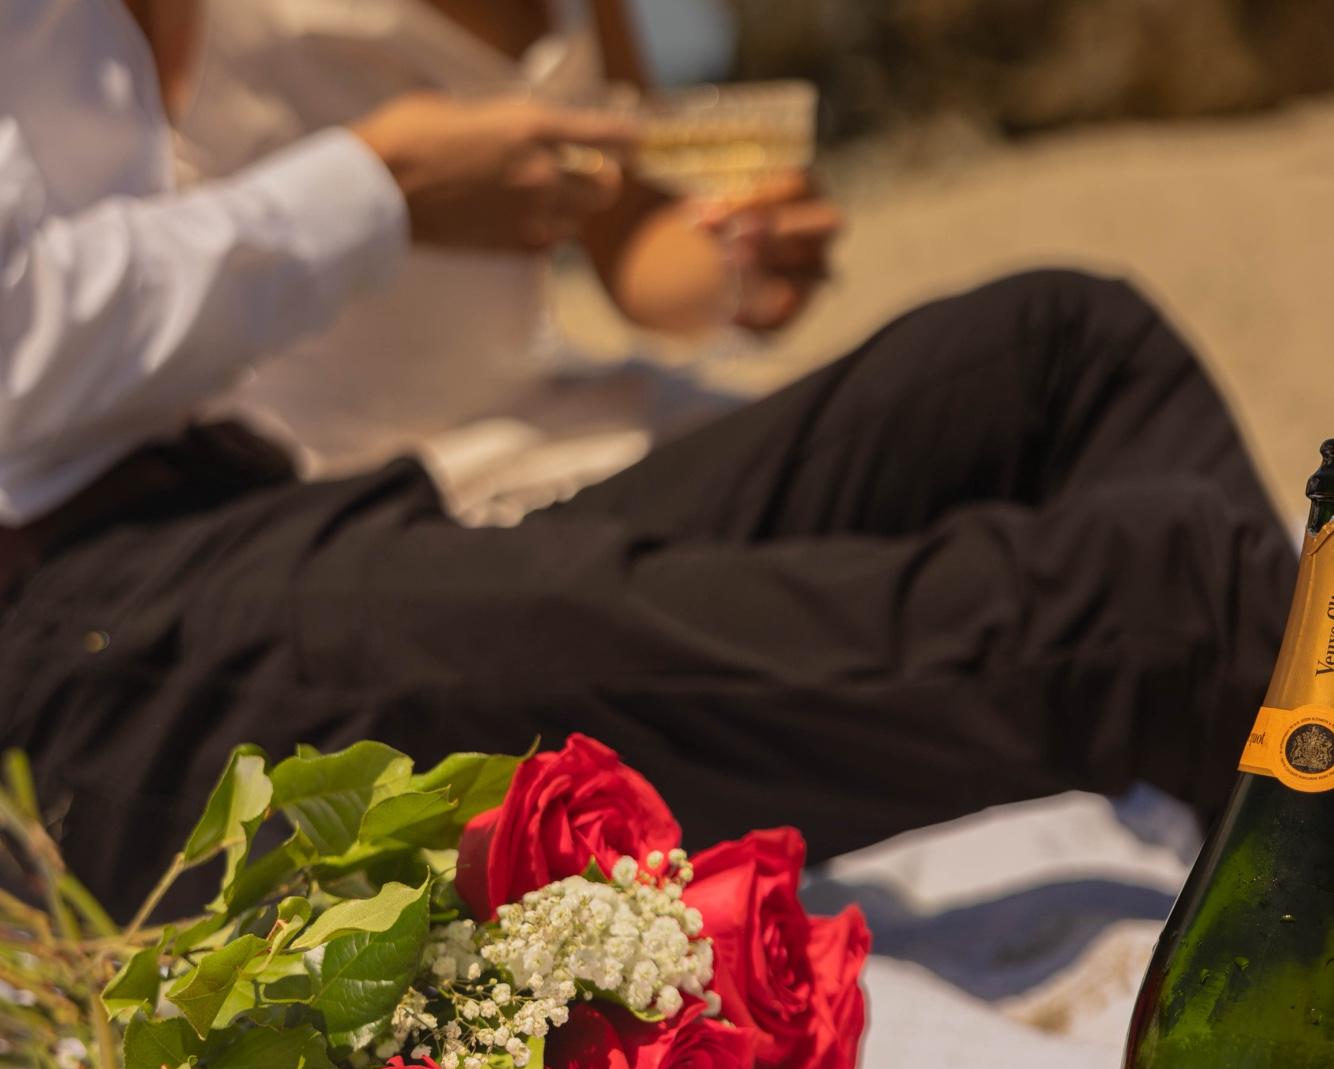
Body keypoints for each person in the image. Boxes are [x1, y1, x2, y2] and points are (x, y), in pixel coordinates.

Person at [0, 0, 1296, 921]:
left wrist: (727, 262)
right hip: (92, 604)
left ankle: (1266, 872)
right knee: (1146, 607)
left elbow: (630, 224)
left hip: (251, 497)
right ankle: (1273, 949)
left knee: (1070, 348)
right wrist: (379, 187)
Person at [174, 0, 843, 523]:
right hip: (324, 480)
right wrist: (379, 188)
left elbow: (631, 225)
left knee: (881, 438)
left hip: (541, 419)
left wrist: (741, 261)